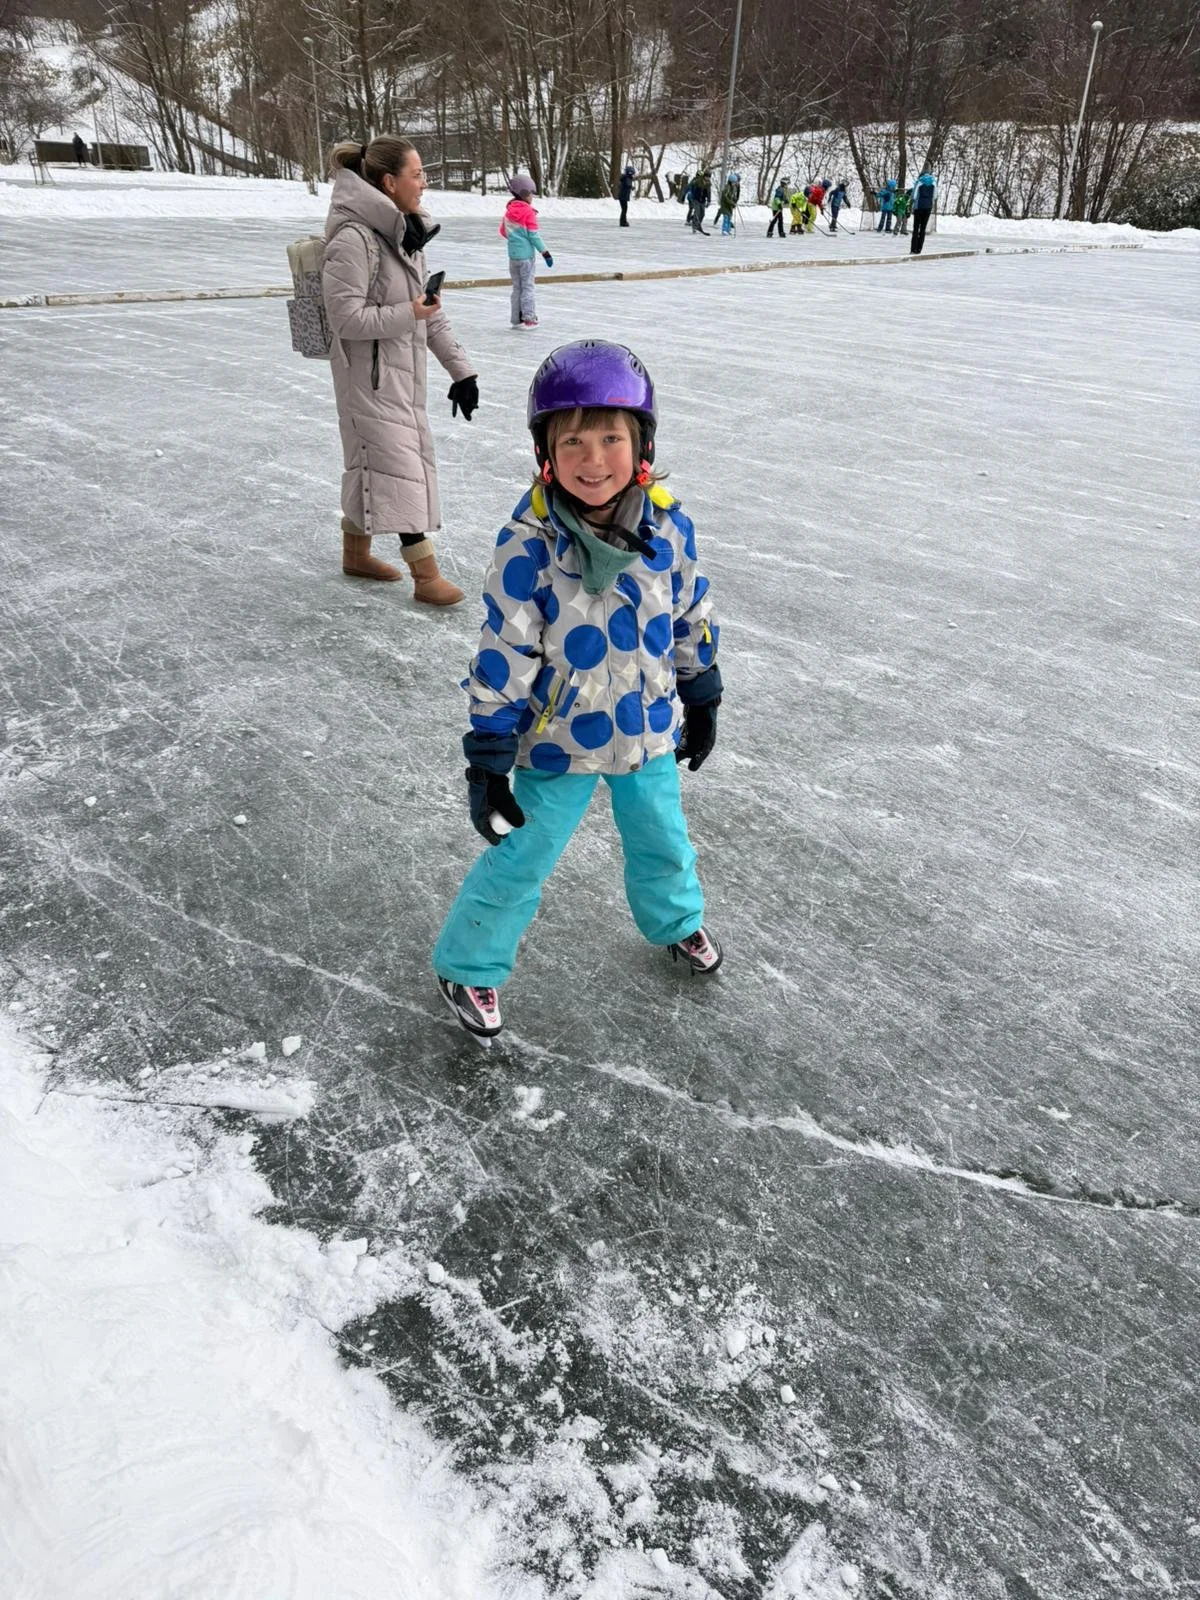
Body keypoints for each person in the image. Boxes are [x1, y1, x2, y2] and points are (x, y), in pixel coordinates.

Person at [433, 339, 724, 1039]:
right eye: (573, 443)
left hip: (648, 728)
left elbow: (690, 609)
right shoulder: (529, 540)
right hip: (555, 739)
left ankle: (677, 922)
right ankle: (467, 964)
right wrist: (490, 750)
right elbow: (505, 647)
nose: (593, 460)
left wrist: (702, 687)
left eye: (611, 439)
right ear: (547, 453)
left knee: (663, 839)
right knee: (522, 853)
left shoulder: (668, 525)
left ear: (641, 444)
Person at [321, 136, 476, 601]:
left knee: (375, 467)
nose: (424, 183)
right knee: (399, 467)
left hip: (399, 378)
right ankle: (426, 577)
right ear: (389, 182)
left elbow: (429, 312)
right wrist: (411, 311)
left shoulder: (405, 235)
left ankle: (355, 553)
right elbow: (345, 319)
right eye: (418, 174)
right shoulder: (353, 239)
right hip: (366, 380)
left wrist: (461, 372)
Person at [500, 172, 553, 328]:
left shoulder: (508, 212)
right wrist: (545, 253)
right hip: (526, 257)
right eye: (531, 194)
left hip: (513, 257)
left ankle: (516, 319)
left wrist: (516, 239)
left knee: (517, 288)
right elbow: (534, 236)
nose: (532, 197)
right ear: (523, 193)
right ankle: (529, 317)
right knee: (528, 286)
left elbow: (503, 232)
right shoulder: (528, 213)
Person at [910, 167, 936, 254]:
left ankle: (913, 249)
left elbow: (914, 195)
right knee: (923, 228)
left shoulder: (919, 181)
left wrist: (912, 203)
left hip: (919, 207)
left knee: (916, 227)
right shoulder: (933, 182)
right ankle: (919, 249)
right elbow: (935, 196)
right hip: (928, 207)